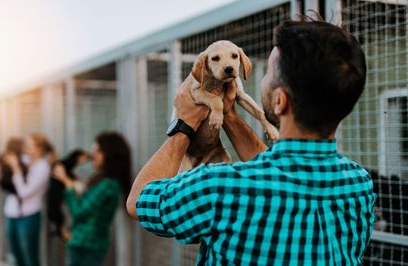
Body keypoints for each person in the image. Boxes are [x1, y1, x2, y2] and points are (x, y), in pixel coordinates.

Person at [127, 19, 376, 265]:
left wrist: (184, 123)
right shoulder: (360, 185)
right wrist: (229, 115)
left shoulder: (218, 187)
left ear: (280, 101)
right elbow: (276, 173)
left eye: (268, 72)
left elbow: (138, 200)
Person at [53, 132, 131, 266]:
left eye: (98, 150)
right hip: (83, 243)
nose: (92, 154)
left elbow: (78, 212)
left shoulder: (108, 184)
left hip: (87, 246)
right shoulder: (102, 180)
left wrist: (67, 182)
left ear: (110, 154)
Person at [4, 133, 56, 266]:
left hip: (29, 216)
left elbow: (24, 192)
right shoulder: (25, 160)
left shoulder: (43, 167)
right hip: (12, 213)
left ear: (38, 148)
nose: (24, 147)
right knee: (17, 255)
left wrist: (16, 168)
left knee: (30, 257)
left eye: (28, 144)